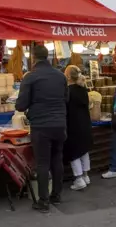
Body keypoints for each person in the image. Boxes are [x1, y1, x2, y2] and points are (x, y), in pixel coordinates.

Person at [16, 45, 68, 213]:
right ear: (48, 56)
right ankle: (57, 196)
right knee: (57, 159)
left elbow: (20, 105)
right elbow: (66, 98)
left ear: (33, 58)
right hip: (60, 124)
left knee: (43, 163)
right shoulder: (61, 76)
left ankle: (43, 201)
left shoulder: (30, 77)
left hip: (41, 125)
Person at [63, 65, 93, 191]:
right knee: (84, 150)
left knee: (74, 152)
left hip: (73, 125)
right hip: (85, 124)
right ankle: (86, 176)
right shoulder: (83, 90)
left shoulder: (68, 91)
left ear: (68, 76)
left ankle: (79, 178)